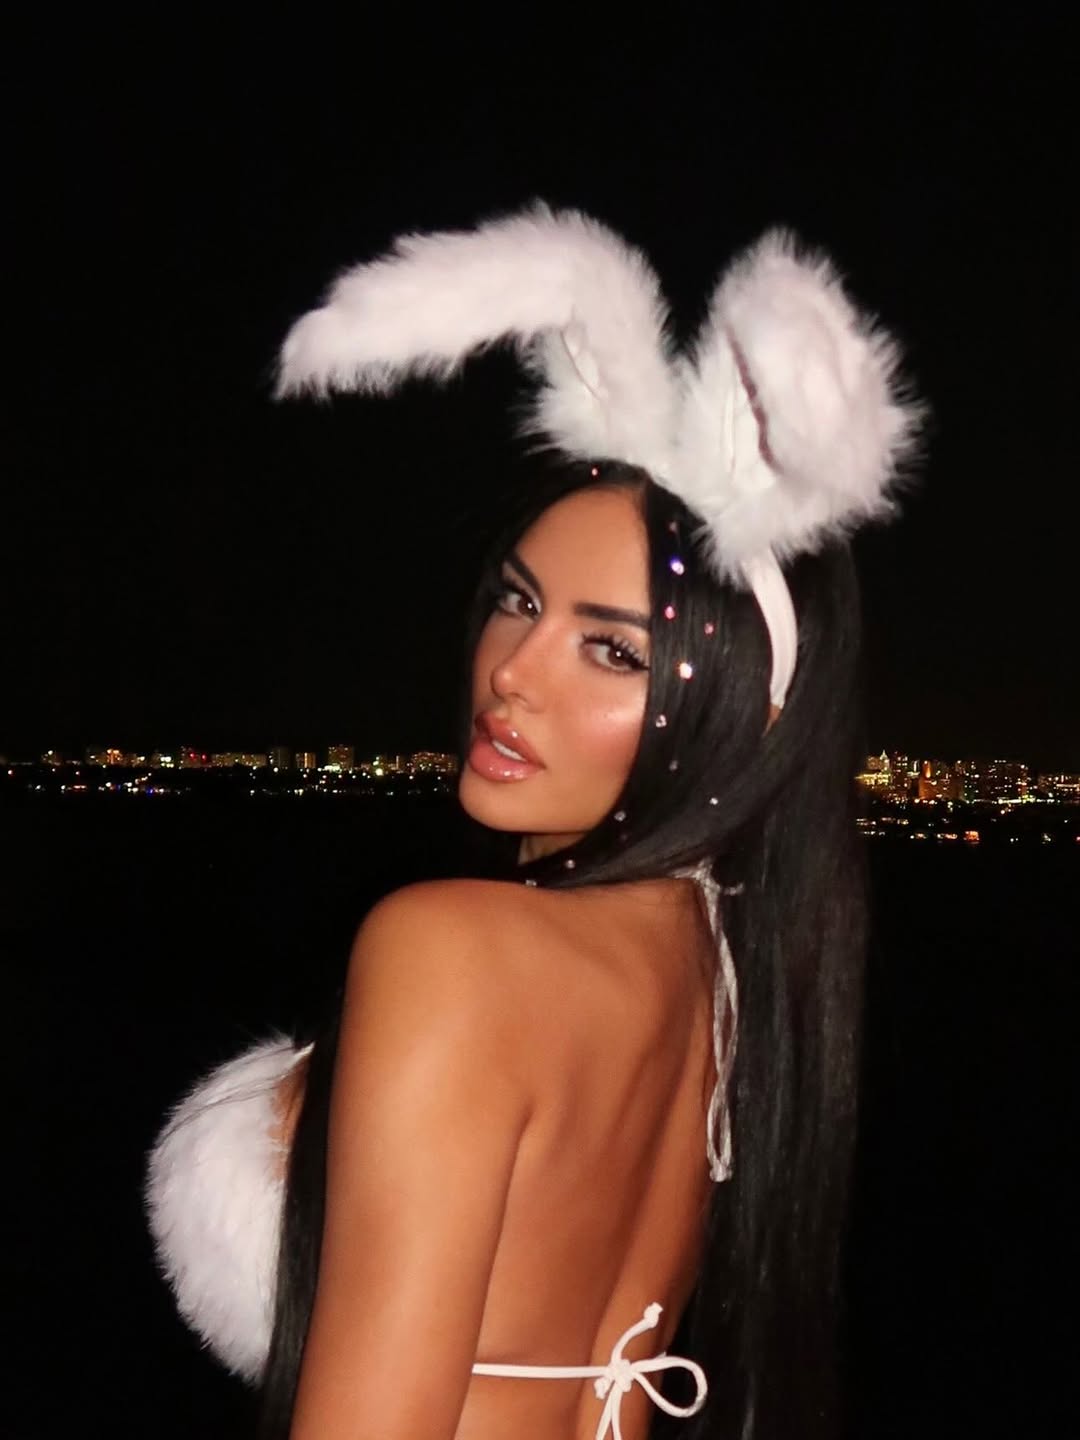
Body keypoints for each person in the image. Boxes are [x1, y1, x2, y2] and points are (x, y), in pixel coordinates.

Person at [145, 206, 921, 1440]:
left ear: (746, 710)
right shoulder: (721, 973)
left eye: (611, 650)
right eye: (518, 602)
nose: (512, 672)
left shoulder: (452, 951)